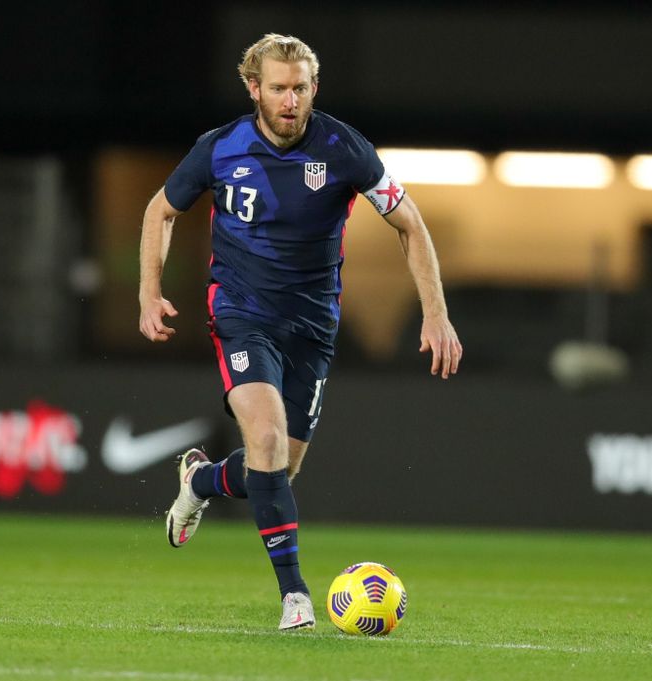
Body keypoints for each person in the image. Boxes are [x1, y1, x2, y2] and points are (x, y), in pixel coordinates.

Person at [138, 33, 462, 631]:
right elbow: (161, 211)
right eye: (280, 88)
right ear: (254, 88)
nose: (291, 101)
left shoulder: (344, 148)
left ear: (315, 89)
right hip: (240, 312)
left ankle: (202, 479)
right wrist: (148, 290)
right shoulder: (220, 149)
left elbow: (410, 226)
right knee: (263, 441)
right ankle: (296, 597)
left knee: (278, 468)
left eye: (302, 88)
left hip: (312, 325)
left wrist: (435, 313)